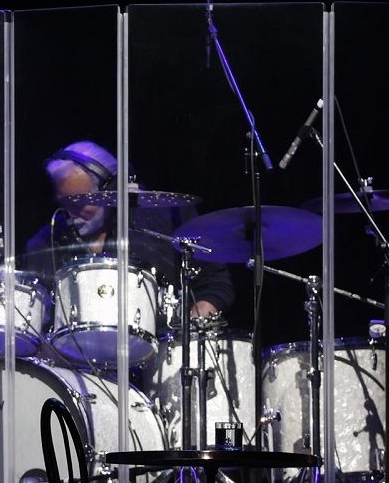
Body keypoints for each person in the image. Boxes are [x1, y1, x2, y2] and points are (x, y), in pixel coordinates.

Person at [22, 140, 234, 340]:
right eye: (64, 202)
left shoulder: (167, 219)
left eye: (80, 203)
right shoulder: (43, 245)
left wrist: (196, 320)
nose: (70, 213)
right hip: (76, 366)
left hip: (158, 359)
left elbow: (215, 283)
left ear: (110, 191)